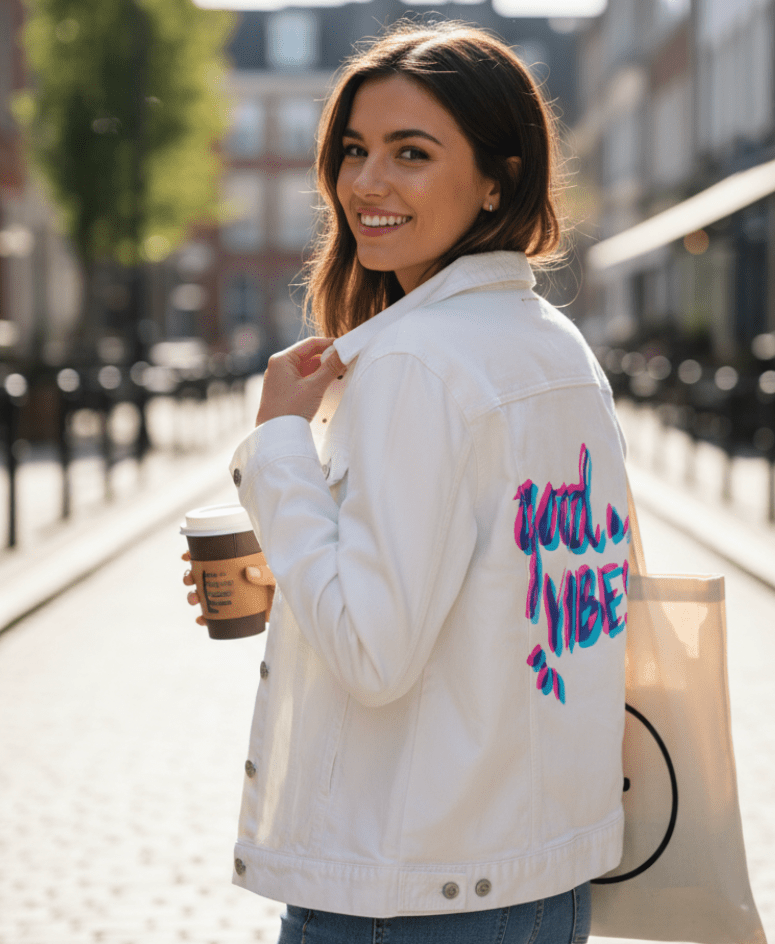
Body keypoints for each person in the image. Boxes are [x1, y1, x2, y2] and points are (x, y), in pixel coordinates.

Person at [183, 19, 633, 944]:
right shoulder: (553, 345)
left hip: (405, 889)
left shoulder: (417, 364)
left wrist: (277, 444)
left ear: (498, 178)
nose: (366, 183)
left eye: (411, 153)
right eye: (354, 150)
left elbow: (374, 658)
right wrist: (290, 577)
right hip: (540, 876)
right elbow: (494, 592)